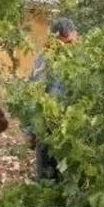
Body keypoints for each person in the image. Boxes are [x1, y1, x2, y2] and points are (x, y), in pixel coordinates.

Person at [27, 18, 79, 180]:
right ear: (53, 42)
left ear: (76, 37)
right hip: (47, 129)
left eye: (70, 42)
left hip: (74, 130)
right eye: (62, 44)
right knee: (46, 177)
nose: (66, 48)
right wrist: (30, 131)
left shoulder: (83, 60)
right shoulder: (43, 60)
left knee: (71, 177)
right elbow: (33, 95)